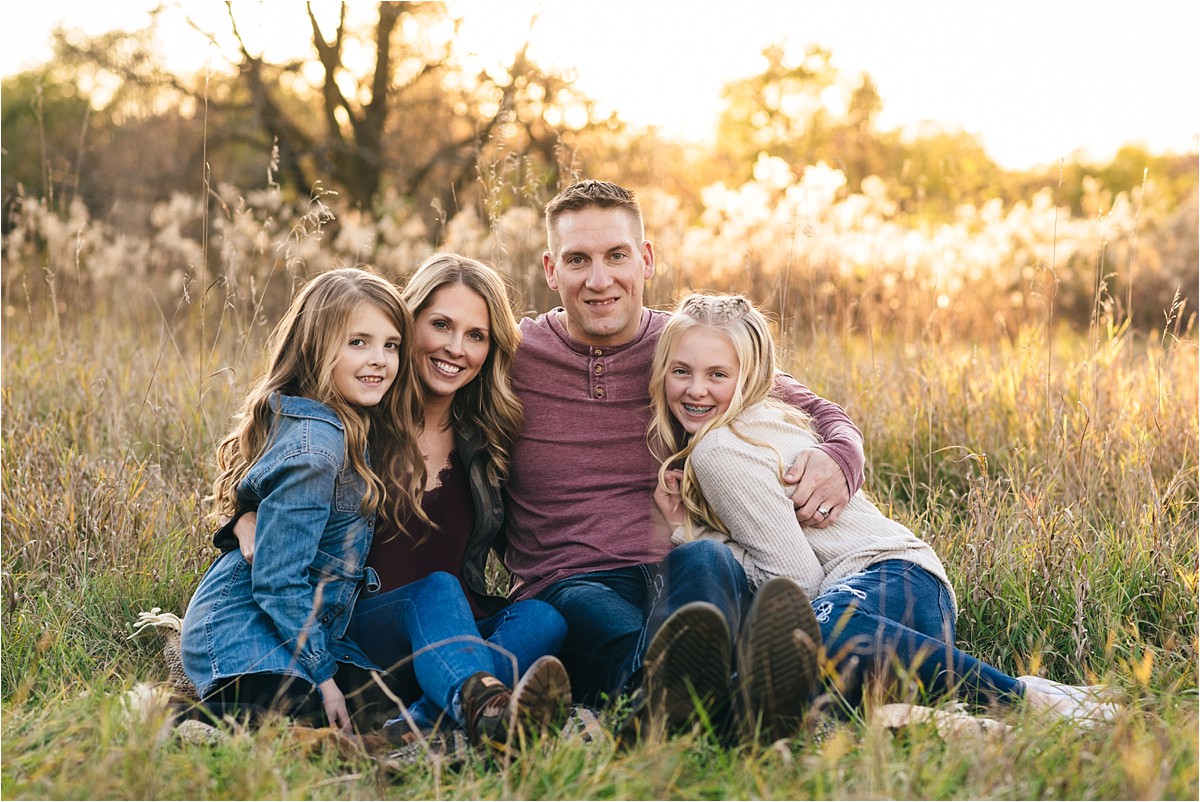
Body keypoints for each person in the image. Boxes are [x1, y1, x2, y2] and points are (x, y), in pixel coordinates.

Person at [647, 291, 1119, 725]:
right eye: (681, 371)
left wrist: (697, 536)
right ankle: (932, 717)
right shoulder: (757, 421)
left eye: (717, 375)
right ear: (662, 370)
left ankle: (1027, 700)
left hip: (886, 584)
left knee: (810, 637)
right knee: (764, 692)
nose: (696, 390)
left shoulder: (718, 451)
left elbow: (795, 587)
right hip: (907, 608)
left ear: (749, 378)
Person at [502, 179, 868, 732]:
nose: (599, 280)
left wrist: (841, 455)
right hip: (572, 578)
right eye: (578, 260)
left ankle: (672, 712)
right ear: (552, 270)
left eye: (616, 256)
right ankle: (705, 705)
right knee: (587, 610)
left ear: (645, 260)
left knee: (707, 560)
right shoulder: (515, 354)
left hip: (679, 567)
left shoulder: (683, 349)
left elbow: (812, 405)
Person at [226, 255, 571, 750]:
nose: (456, 348)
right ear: (408, 325)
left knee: (545, 618)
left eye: (476, 335)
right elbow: (269, 484)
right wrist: (245, 518)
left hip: (452, 639)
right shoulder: (360, 414)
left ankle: (410, 728)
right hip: (364, 637)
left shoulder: (486, 438)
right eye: (441, 325)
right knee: (437, 589)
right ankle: (470, 712)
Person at [181, 267, 428, 732]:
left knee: (388, 707)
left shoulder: (345, 419)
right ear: (316, 347)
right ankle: (183, 720)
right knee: (311, 717)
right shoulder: (319, 446)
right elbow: (276, 579)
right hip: (244, 628)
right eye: (358, 342)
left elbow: (252, 497)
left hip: (303, 627)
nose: (379, 360)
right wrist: (323, 675)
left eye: (390, 345)